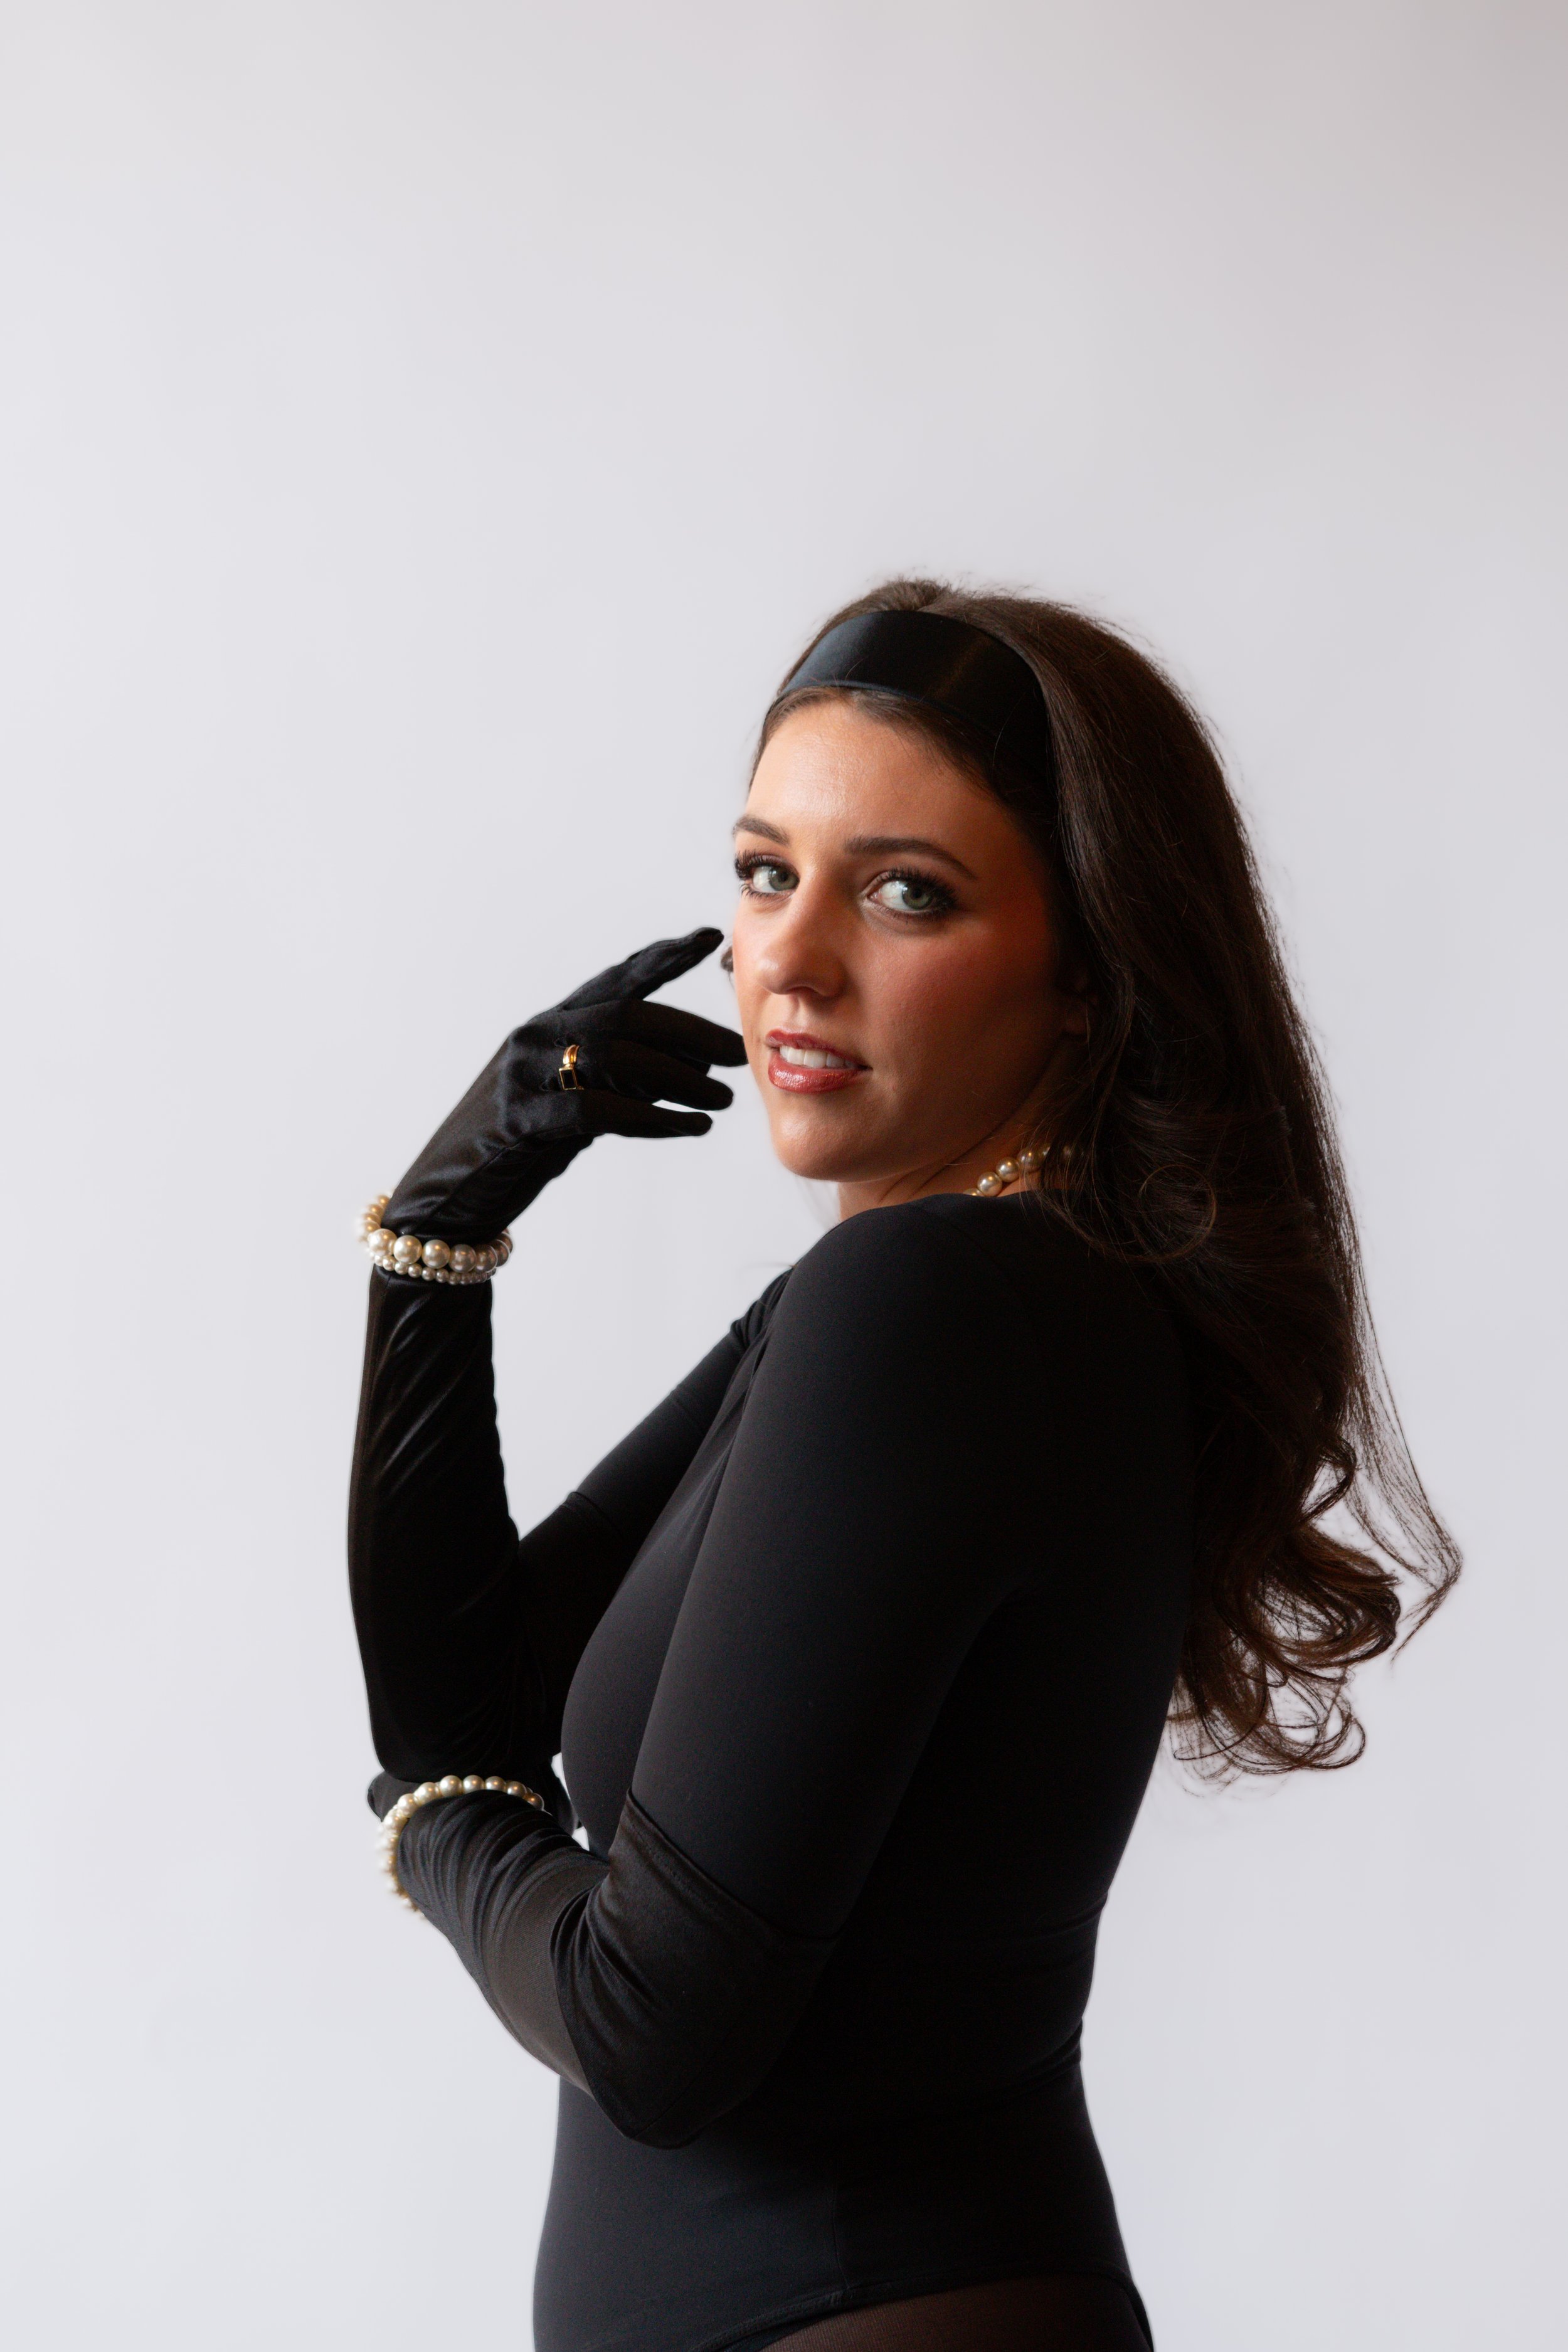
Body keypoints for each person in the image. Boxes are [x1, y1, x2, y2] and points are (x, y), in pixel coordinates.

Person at [347, 581, 1458, 2352]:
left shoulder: (938, 1303)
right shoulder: (948, 1294)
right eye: (764, 872)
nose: (788, 957)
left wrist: (442, 1834)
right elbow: (467, 1683)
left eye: (905, 892)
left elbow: (645, 2026)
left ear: (1088, 971)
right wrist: (439, 1231)